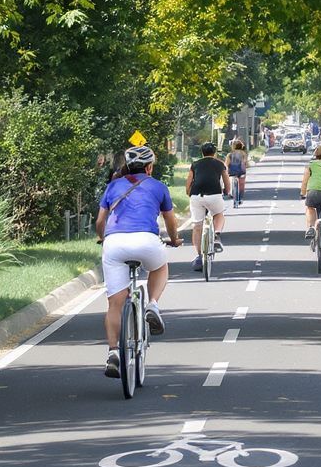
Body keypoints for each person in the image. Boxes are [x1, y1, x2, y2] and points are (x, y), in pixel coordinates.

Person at [95, 145, 181, 378]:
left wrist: (103, 239)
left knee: (115, 304)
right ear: (150, 167)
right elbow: (170, 221)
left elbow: (100, 221)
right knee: (160, 267)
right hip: (147, 240)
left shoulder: (113, 186)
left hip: (115, 244)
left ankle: (113, 352)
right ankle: (152, 304)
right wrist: (174, 240)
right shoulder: (158, 186)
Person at [184, 142, 230, 272]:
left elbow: (189, 180)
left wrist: (188, 192)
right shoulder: (220, 164)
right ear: (214, 152)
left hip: (196, 195)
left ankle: (199, 256)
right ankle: (216, 235)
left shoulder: (195, 164)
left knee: (197, 226)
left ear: (202, 153)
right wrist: (227, 191)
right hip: (214, 194)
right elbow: (226, 179)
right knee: (219, 214)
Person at [225, 139, 248, 205]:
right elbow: (245, 163)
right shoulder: (243, 154)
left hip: (232, 172)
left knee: (232, 183)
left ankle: (232, 196)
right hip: (241, 172)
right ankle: (240, 198)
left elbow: (226, 164)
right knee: (242, 185)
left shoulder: (229, 155)